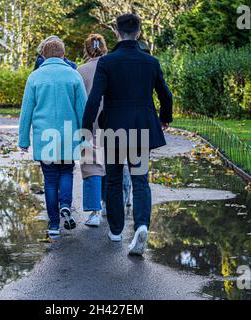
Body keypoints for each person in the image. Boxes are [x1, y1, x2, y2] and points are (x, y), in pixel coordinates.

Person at [82, 14, 173, 255]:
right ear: (139, 33)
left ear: (116, 33)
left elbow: (94, 99)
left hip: (113, 129)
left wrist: (86, 127)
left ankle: (116, 230)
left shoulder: (107, 62)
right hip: (142, 128)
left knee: (112, 180)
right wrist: (165, 118)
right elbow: (166, 95)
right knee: (140, 180)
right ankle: (142, 225)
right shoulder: (150, 62)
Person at [19, 39, 87, 236]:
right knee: (66, 171)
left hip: (45, 137)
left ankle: (54, 225)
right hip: (68, 135)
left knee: (50, 180)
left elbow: (26, 112)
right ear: (63, 54)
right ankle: (65, 204)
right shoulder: (74, 76)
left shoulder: (34, 77)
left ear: (43, 56)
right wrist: (85, 138)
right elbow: (82, 110)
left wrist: (24, 141)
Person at [77, 34, 108, 227]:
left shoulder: (81, 71)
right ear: (104, 47)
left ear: (87, 50)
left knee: (92, 166)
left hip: (89, 122)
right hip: (111, 120)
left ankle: (94, 212)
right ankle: (107, 204)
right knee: (110, 164)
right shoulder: (112, 67)